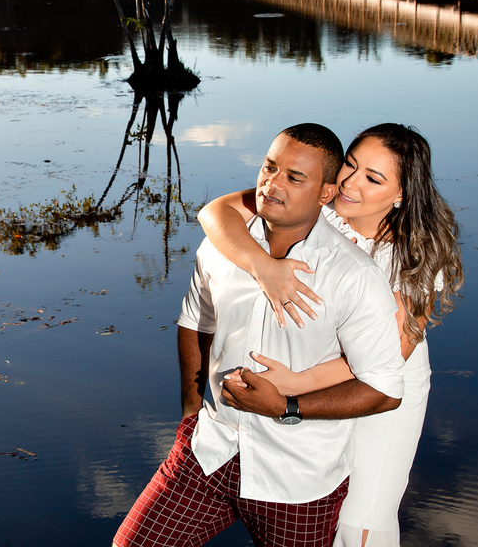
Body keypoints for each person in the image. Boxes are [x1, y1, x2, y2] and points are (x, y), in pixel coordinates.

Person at [114, 124, 406, 547]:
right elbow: (196, 322)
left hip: (297, 479)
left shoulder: (354, 275)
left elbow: (385, 389)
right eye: (269, 167)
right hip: (209, 451)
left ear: (326, 193)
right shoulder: (222, 246)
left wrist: (286, 407)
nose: (272, 184)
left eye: (295, 177)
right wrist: (191, 411)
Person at [197, 123, 463, 547]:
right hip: (308, 373)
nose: (350, 183)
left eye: (372, 178)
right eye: (350, 166)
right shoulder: (321, 209)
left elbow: (393, 353)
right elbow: (214, 214)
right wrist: (262, 266)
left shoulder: (413, 255)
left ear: (401, 194)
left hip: (378, 389)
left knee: (362, 515)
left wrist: (296, 384)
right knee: (316, 500)